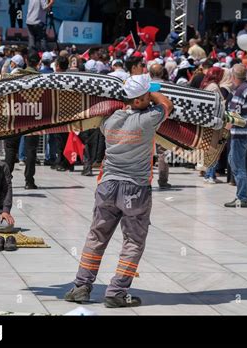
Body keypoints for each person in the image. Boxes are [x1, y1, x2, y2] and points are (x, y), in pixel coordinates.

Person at [64, 74, 173, 307]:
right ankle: (117, 292)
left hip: (107, 186)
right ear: (140, 99)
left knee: (97, 236)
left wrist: (137, 95)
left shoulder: (110, 120)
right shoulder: (149, 119)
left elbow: (114, 116)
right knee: (133, 240)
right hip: (135, 189)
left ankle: (81, 286)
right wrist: (152, 92)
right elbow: (167, 105)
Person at [224, 64, 247, 207]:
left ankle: (242, 197)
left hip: (240, 133)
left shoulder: (239, 92)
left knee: (237, 165)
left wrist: (224, 131)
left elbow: (234, 115)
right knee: (233, 160)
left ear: (233, 77)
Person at [4, 52, 41, 189]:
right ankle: (29, 181)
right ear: (38, 63)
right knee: (31, 149)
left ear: (26, 60)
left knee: (10, 148)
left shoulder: (15, 75)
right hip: (33, 116)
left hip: (16, 114)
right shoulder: (41, 78)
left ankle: (6, 180)